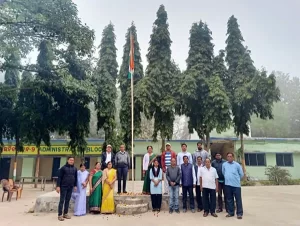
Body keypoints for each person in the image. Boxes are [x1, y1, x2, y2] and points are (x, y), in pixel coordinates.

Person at [222, 152, 244, 219]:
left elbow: (241, 174)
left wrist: (236, 179)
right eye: (228, 156)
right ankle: (231, 212)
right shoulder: (224, 164)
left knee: (238, 199)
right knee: (229, 199)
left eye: (231, 156)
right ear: (226, 157)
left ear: (233, 157)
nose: (229, 157)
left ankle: (239, 213)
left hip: (236, 185)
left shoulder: (237, 165)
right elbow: (223, 173)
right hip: (228, 185)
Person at [56, 156, 77, 221]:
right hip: (63, 186)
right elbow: (59, 177)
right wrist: (58, 186)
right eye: (70, 160)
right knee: (62, 200)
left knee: (67, 200)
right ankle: (60, 215)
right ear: (67, 160)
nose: (71, 161)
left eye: (73, 160)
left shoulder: (75, 169)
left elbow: (75, 178)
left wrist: (75, 185)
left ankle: (65, 213)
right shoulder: (63, 168)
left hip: (70, 186)